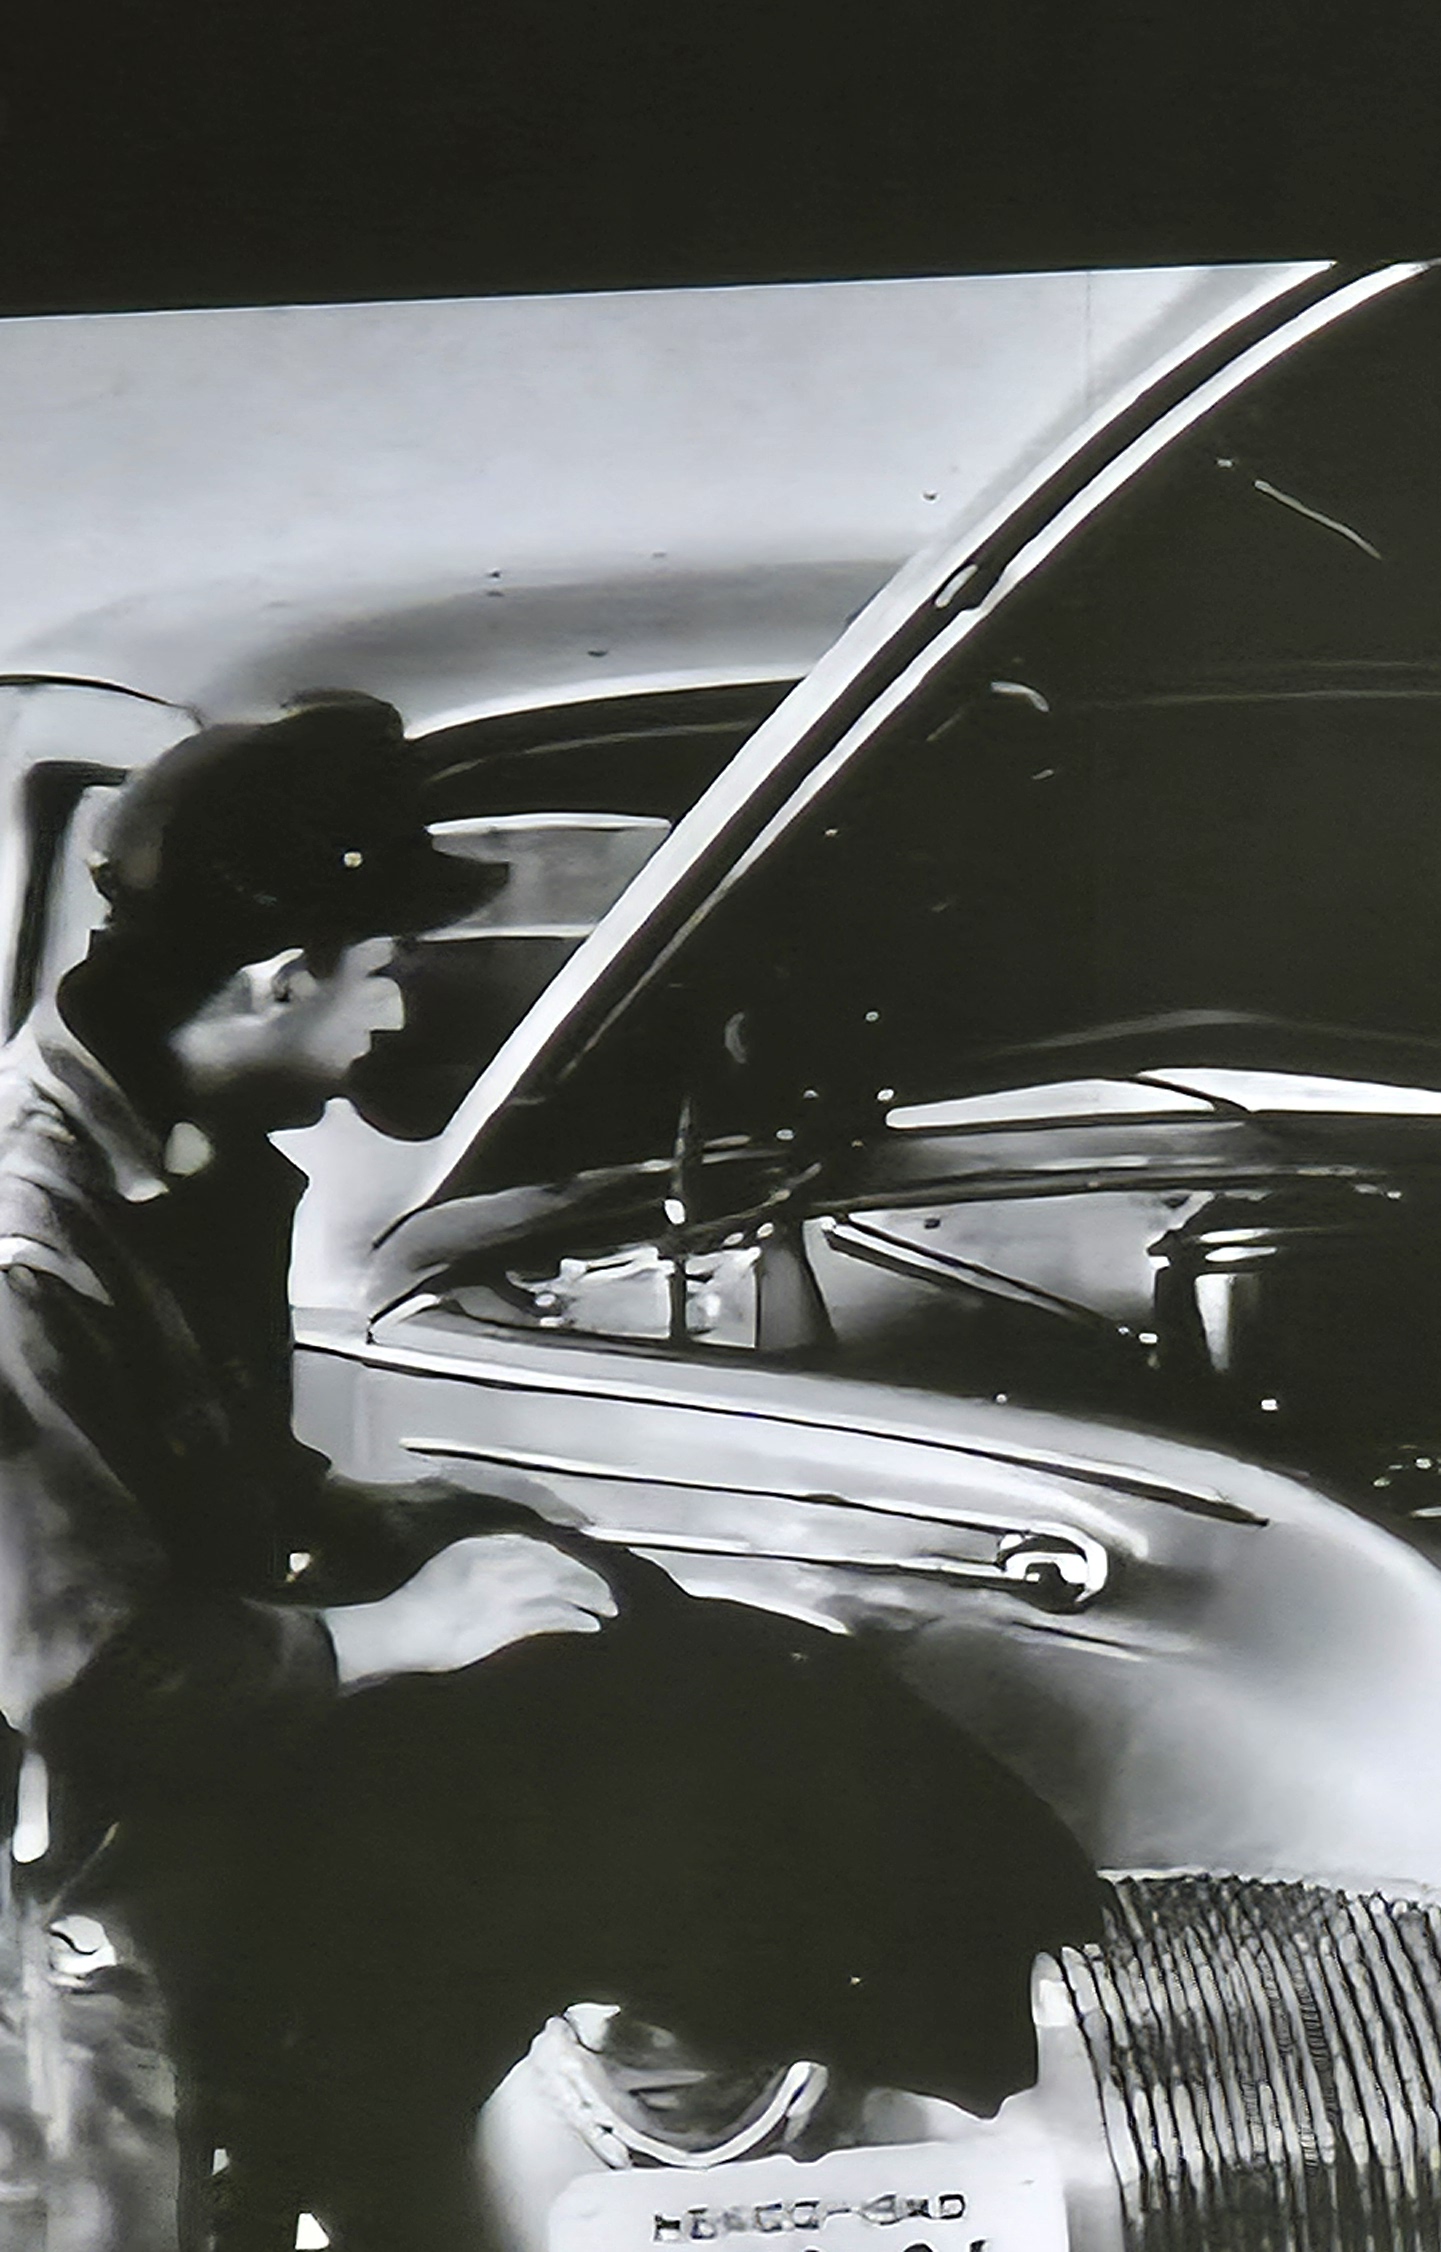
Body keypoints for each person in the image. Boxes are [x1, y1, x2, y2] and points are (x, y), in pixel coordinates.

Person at [0, 695, 1097, 2248]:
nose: (395, 1017)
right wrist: (406, 1630)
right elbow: (90, 1675)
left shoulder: (187, 1154)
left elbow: (204, 1469)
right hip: (91, 1866)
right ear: (278, 979)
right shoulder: (29, 1251)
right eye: (382, 971)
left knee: (717, 1686)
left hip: (202, 1756)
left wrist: (404, 1521)